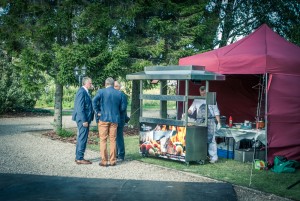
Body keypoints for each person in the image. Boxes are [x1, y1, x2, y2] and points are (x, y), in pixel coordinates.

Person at [92, 77, 127, 167]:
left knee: (103, 140)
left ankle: (104, 161)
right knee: (113, 140)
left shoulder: (101, 92)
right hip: (115, 119)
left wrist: (97, 112)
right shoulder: (119, 94)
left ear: (105, 84)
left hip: (103, 118)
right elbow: (123, 108)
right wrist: (116, 112)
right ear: (112, 84)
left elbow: (94, 101)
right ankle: (112, 161)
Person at [188, 86, 221, 163]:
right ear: (199, 92)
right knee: (199, 139)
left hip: (210, 121)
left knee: (211, 139)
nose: (203, 93)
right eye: (201, 92)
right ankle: (200, 156)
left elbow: (216, 112)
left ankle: (214, 157)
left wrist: (218, 122)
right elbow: (191, 109)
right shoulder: (197, 99)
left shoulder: (212, 100)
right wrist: (187, 112)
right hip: (199, 121)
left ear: (207, 92)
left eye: (204, 92)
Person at [72, 77, 94, 165]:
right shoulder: (82, 91)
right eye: (90, 83)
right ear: (85, 83)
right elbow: (80, 107)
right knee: (82, 138)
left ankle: (78, 156)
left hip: (84, 118)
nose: (91, 85)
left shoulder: (85, 92)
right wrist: (84, 120)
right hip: (83, 119)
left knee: (81, 137)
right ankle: (79, 158)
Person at [114, 81, 129, 162]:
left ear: (119, 87)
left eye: (116, 86)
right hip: (113, 119)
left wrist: (114, 111)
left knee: (119, 137)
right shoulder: (113, 95)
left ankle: (121, 155)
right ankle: (115, 154)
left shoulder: (122, 96)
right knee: (114, 137)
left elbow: (123, 108)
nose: (115, 88)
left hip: (120, 119)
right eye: (114, 86)